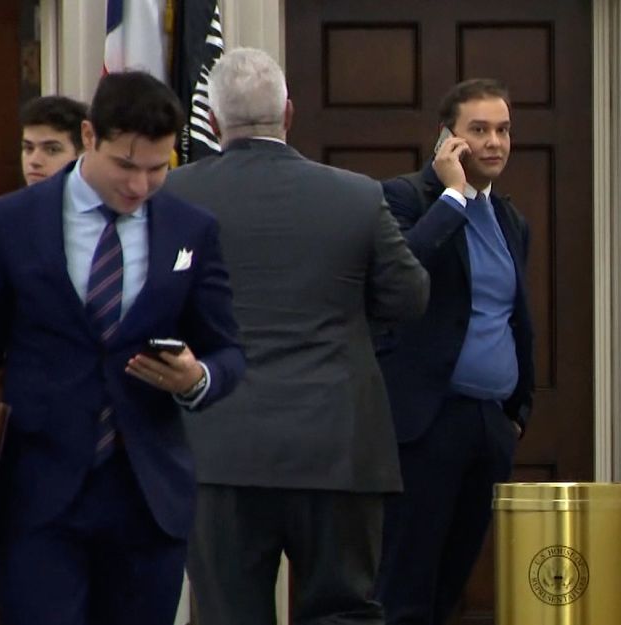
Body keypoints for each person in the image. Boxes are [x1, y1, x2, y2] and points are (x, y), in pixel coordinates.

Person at [0, 70, 245, 625]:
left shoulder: (191, 229)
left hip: (147, 499)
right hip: (40, 495)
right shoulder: (11, 222)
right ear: (90, 137)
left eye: (157, 169)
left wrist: (198, 379)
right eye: (125, 165)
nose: (140, 185)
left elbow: (228, 350)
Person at [163, 47, 429, 625]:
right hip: (338, 446)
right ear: (288, 113)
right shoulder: (358, 195)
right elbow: (410, 297)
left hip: (219, 449)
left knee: (227, 614)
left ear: (211, 122)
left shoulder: (172, 198)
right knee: (342, 613)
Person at [373, 78, 535, 625]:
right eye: (480, 130)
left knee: (452, 588)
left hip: (489, 425)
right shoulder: (404, 198)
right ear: (448, 139)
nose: (494, 142)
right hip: (426, 422)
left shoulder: (511, 218)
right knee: (405, 588)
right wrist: (452, 195)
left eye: (504, 130)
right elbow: (402, 273)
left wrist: (518, 410)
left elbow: (514, 316)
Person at [20, 95, 88, 185]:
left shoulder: (101, 198)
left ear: (82, 154)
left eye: (52, 150)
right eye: (28, 148)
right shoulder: (11, 199)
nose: (34, 161)